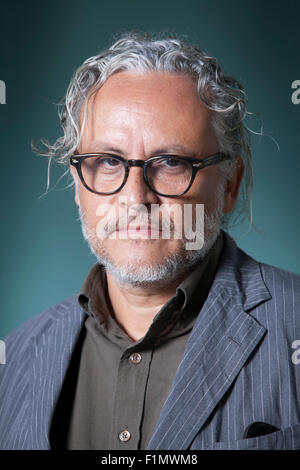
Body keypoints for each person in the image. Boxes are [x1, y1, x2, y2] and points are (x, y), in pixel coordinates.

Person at [1, 32, 300, 451]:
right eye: (108, 161)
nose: (137, 198)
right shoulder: (12, 360)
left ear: (230, 183)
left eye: (171, 163)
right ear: (77, 184)